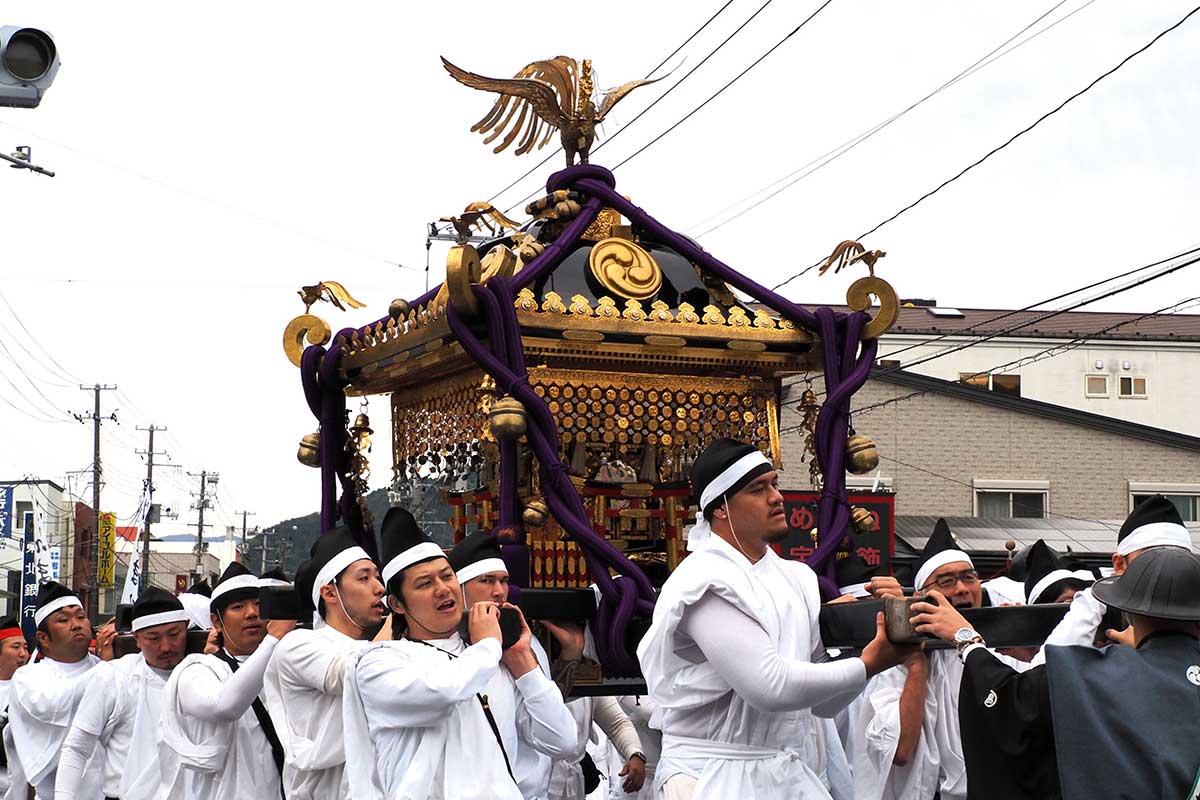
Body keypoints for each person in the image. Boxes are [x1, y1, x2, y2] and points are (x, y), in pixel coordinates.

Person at [637, 438, 912, 799]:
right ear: (720, 508)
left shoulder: (797, 579)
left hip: (787, 775)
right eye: (758, 488)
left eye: (775, 484)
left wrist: (873, 637)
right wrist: (867, 664)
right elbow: (768, 686)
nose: (776, 497)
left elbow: (824, 704)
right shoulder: (703, 580)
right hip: (709, 776)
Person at [912, 546, 1200, 800]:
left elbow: (1013, 702)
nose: (961, 589)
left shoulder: (1096, 675)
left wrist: (966, 639)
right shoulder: (1111, 668)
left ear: (1130, 612)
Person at [342, 508, 576, 799]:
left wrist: (523, 662)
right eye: (425, 583)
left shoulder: (491, 659)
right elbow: (441, 693)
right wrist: (489, 645)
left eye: (447, 576)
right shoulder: (379, 663)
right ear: (397, 604)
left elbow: (562, 741)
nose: (442, 589)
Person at [850, 518, 1019, 800]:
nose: (963, 589)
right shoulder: (899, 664)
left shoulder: (998, 657)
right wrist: (916, 667)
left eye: (969, 577)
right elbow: (900, 751)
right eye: (947, 581)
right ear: (920, 597)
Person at [448, 529, 590, 800]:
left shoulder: (524, 645)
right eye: (486, 581)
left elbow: (561, 741)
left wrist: (524, 663)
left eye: (504, 581)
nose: (499, 591)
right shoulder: (444, 650)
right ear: (459, 588)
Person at [263, 527, 385, 799]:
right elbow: (357, 673)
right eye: (364, 578)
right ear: (330, 593)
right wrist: (404, 613)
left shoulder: (385, 647)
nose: (379, 588)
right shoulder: (300, 645)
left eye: (377, 577)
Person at [158, 562, 295, 799]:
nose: (252, 613)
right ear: (217, 622)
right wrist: (273, 639)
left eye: (259, 605)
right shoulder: (198, 671)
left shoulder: (289, 667)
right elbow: (224, 707)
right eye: (238, 606)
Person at [56, 587, 190, 800]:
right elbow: (77, 747)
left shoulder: (202, 673)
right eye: (153, 638)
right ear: (136, 638)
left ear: (187, 627)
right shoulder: (114, 677)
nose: (166, 646)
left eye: (174, 635)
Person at [1035, 494, 1195, 654]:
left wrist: (1145, 648)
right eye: (1148, 558)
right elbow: (1053, 668)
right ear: (1119, 565)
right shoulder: (1095, 609)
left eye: (1177, 556)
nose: (1164, 566)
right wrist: (1090, 604)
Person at [4, 580, 112, 799]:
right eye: (63, 620)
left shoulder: (106, 669)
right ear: (43, 638)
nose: (76, 624)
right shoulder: (28, 678)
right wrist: (111, 669)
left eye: (80, 617)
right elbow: (56, 704)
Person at [0, 614, 30, 798]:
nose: (23, 654)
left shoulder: (31, 690)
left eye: (25, 647)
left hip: (16, 786)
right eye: (15, 647)